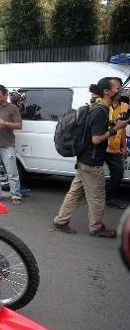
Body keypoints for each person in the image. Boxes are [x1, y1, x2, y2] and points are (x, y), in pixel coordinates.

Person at [53, 77, 128, 237]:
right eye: (117, 88)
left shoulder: (100, 108)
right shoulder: (100, 111)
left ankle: (60, 221)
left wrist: (114, 125)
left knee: (74, 192)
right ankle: (97, 227)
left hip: (84, 159)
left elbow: (94, 132)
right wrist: (117, 128)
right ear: (106, 91)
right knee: (98, 197)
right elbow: (96, 139)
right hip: (92, 162)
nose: (120, 90)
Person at [105, 77, 128, 209]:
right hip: (100, 146)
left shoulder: (124, 106)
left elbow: (122, 127)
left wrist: (123, 146)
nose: (121, 91)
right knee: (87, 174)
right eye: (118, 88)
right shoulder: (100, 104)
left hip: (114, 148)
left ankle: (109, 198)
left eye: (121, 88)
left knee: (118, 173)